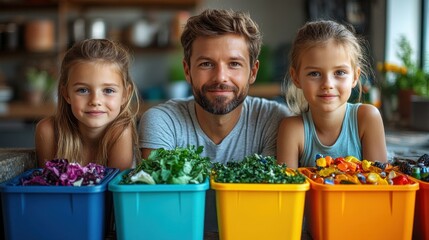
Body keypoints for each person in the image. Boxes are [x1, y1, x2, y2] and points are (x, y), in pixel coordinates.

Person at [138, 9, 290, 232]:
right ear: (187, 70)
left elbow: (266, 211)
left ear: (253, 72)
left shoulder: (276, 120)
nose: (220, 77)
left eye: (234, 64)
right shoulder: (162, 123)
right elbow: (162, 213)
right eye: (206, 64)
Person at [277, 20, 387, 168]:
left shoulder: (367, 118)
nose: (328, 84)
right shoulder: (292, 129)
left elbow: (380, 185)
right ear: (296, 77)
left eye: (339, 72)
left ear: (355, 76)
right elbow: (288, 189)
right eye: (314, 73)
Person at [35, 39, 140, 171]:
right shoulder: (48, 131)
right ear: (66, 94)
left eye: (108, 90)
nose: (95, 101)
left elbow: (114, 189)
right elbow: (48, 186)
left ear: (125, 94)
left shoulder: (120, 132)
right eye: (83, 90)